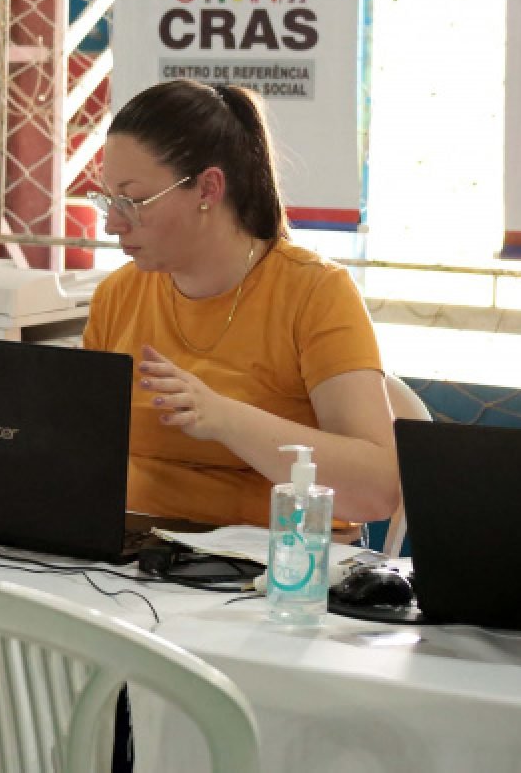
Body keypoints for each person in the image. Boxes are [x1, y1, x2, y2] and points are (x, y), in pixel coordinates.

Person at [83, 80, 399, 534]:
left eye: (132, 201)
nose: (113, 223)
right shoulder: (118, 295)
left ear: (208, 189)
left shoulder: (313, 292)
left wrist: (225, 418)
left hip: (272, 573)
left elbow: (376, 490)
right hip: (129, 555)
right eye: (108, 200)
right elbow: (82, 451)